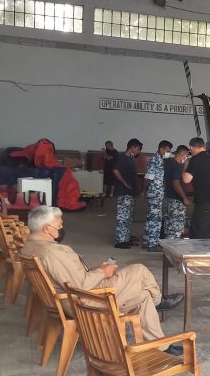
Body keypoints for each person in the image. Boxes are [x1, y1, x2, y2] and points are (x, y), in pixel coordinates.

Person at [20, 206, 184, 354]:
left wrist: (97, 270)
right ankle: (159, 301)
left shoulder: (29, 247)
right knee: (139, 270)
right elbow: (79, 285)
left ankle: (159, 345)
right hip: (84, 300)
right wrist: (102, 272)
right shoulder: (52, 252)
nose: (61, 229)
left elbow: (69, 278)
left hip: (70, 299)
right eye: (59, 226)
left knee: (142, 296)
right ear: (47, 229)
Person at [185, 137, 210, 238]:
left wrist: (186, 166)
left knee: (200, 231)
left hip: (204, 202)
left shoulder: (195, 159)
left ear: (191, 148)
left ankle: (201, 252)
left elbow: (186, 179)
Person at [142, 140, 172, 252]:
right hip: (155, 192)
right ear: (161, 149)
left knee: (151, 217)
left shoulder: (160, 159)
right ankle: (152, 244)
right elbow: (148, 177)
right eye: (168, 151)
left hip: (157, 192)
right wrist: (143, 190)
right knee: (156, 219)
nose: (169, 153)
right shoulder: (155, 160)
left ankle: (146, 241)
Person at [112, 138, 142, 249]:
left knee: (128, 217)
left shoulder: (130, 158)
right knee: (123, 217)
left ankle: (126, 238)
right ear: (132, 147)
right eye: (138, 149)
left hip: (130, 192)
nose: (139, 151)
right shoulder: (122, 158)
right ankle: (120, 241)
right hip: (123, 192)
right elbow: (115, 171)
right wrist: (124, 183)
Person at [162, 145, 191, 240]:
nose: (186, 158)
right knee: (176, 227)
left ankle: (167, 247)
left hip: (168, 198)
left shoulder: (168, 163)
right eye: (186, 155)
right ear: (182, 155)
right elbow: (176, 183)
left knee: (169, 225)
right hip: (177, 200)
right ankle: (172, 248)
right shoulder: (177, 167)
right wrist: (184, 198)